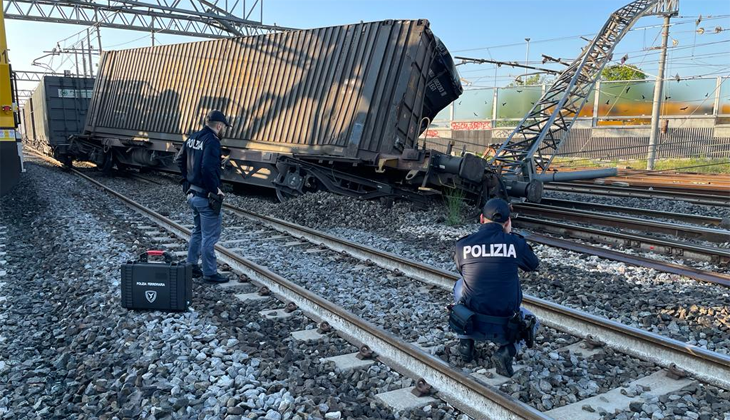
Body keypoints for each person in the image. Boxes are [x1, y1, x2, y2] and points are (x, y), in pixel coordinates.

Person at [452, 198, 540, 377]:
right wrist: (510, 235)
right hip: (505, 328)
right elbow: (533, 265)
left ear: (481, 219)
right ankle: (506, 351)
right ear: (507, 222)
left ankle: (465, 342)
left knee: (460, 284)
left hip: (472, 323)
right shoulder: (515, 243)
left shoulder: (463, 245)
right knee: (533, 320)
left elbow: (461, 268)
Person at [174, 110, 231, 283]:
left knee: (197, 231)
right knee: (210, 236)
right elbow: (206, 168)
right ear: (219, 126)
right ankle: (210, 273)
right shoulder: (212, 142)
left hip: (192, 193)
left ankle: (191, 265)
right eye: (224, 128)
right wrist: (214, 189)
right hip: (205, 196)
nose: (224, 131)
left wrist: (187, 180)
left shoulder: (193, 137)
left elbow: (179, 160)